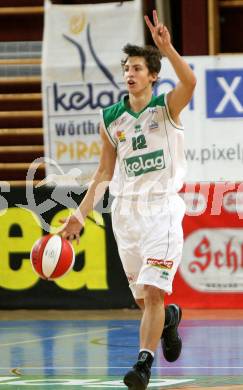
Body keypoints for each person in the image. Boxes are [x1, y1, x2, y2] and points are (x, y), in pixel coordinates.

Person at [60, 9, 196, 390]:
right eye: (126, 68)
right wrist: (80, 214)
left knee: (153, 291)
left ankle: (143, 365)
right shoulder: (110, 119)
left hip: (161, 210)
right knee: (144, 301)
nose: (130, 73)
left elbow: (191, 82)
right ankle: (168, 319)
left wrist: (167, 49)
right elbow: (104, 172)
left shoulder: (166, 107)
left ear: (152, 75)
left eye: (137, 67)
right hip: (126, 215)